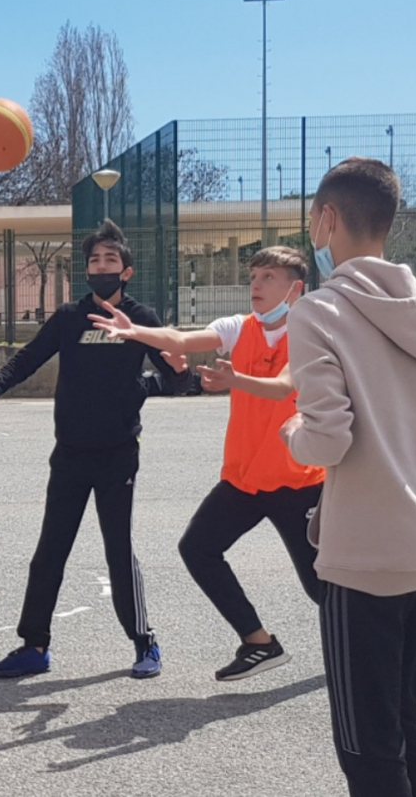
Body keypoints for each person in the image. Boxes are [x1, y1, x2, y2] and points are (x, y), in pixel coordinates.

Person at [282, 157, 416, 797]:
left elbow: (327, 437)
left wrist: (291, 433)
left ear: (328, 218)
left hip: (365, 557)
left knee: (365, 745)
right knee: (404, 716)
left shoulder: (318, 313)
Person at [89, 246, 325, 680]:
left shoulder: (311, 333)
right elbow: (179, 340)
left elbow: (283, 386)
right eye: (253, 276)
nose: (256, 284)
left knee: (319, 586)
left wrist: (236, 380)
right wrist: (136, 331)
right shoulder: (239, 327)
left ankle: (361, 650)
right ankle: (259, 641)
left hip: (298, 480)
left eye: (268, 277)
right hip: (244, 479)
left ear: (296, 288)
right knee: (197, 548)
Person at [0, 220, 182, 680]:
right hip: (69, 454)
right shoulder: (70, 317)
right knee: (50, 551)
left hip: (118, 454)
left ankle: (145, 642)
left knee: (118, 550)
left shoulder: (141, 319)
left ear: (126, 271)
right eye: (93, 261)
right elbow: (28, 358)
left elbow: (177, 376)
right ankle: (34, 646)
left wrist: (150, 382)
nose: (101, 266)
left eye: (110, 260)